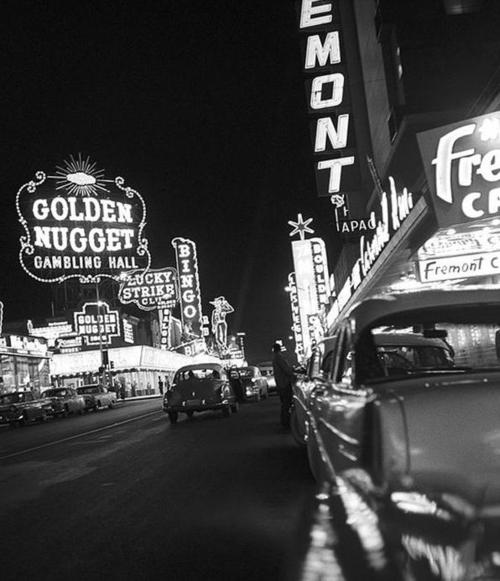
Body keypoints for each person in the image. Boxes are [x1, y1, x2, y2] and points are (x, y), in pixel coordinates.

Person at [272, 342, 295, 428]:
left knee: (284, 403)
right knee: (286, 403)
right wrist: (292, 372)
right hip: (284, 383)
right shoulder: (279, 357)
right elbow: (286, 370)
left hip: (280, 383)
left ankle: (285, 422)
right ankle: (286, 422)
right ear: (280, 349)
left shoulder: (275, 358)